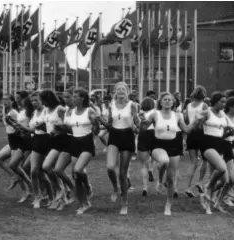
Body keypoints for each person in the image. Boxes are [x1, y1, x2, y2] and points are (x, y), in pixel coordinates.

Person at [139, 92, 197, 216]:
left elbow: (186, 130)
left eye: (170, 100)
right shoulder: (155, 114)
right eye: (165, 99)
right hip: (158, 145)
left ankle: (168, 205)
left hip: (174, 146)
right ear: (160, 102)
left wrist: (196, 120)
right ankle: (159, 180)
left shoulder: (177, 116)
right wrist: (142, 120)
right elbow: (143, 129)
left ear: (173, 102)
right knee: (164, 161)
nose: (167, 101)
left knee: (171, 179)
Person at [98, 82, 140, 215]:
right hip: (114, 136)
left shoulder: (132, 105)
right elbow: (110, 124)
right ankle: (115, 187)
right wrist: (101, 121)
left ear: (127, 91)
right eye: (118, 89)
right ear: (115, 91)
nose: (121, 91)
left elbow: (137, 121)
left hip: (127, 136)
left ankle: (124, 202)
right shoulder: (111, 106)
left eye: (123, 89)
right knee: (110, 167)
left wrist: (139, 125)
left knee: (122, 172)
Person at [69, 88, 98, 215]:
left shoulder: (89, 111)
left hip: (86, 143)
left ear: (82, 98)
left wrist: (95, 123)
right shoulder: (71, 111)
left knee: (77, 170)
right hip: (75, 143)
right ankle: (84, 202)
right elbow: (72, 128)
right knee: (76, 175)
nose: (73, 98)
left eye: (76, 96)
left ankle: (86, 193)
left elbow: (96, 129)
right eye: (73, 96)